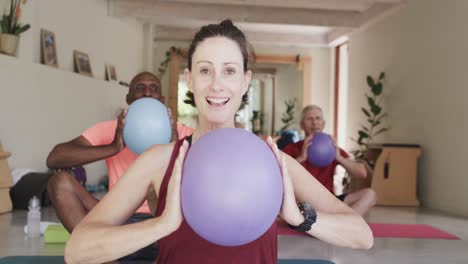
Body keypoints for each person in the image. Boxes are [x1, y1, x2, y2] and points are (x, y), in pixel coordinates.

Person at [65, 20, 373, 264]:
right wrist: (159, 226)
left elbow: (361, 235)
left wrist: (298, 218)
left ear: (245, 81)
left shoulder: (273, 162)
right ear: (190, 79)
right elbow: (77, 250)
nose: (216, 84)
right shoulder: (161, 161)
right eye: (204, 70)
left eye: (229, 71)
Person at [46, 72, 193, 261]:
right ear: (128, 99)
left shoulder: (183, 132)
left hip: (166, 221)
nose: (147, 93)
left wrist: (174, 146)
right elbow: (55, 158)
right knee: (59, 183)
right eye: (140, 88)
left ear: (162, 100)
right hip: (116, 220)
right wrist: (113, 147)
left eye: (154, 89)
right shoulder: (112, 129)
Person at [283, 105, 377, 215]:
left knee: (370, 195)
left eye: (318, 118)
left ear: (323, 123)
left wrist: (339, 157)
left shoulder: (331, 147)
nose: (314, 122)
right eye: (310, 119)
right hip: (303, 202)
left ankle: (347, 222)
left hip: (329, 201)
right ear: (302, 125)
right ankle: (334, 221)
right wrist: (302, 158)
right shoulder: (292, 148)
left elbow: (362, 173)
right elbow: (279, 173)